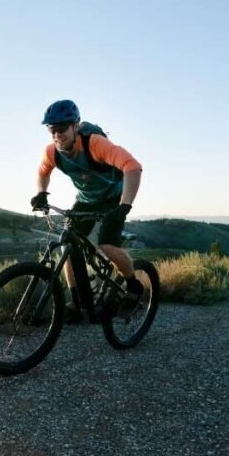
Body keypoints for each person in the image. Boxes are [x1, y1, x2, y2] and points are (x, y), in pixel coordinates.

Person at [30, 99, 144, 321]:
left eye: (62, 128)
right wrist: (42, 192)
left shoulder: (95, 144)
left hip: (114, 199)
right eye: (52, 129)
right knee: (68, 246)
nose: (57, 134)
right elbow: (43, 172)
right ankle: (78, 303)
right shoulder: (52, 152)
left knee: (108, 245)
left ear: (76, 126)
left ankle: (134, 286)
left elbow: (133, 167)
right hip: (86, 200)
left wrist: (125, 206)